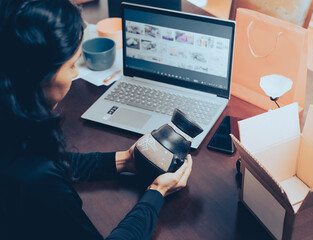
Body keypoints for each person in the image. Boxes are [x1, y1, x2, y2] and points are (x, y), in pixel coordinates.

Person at [0, 0, 192, 239]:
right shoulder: (36, 181)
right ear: (38, 75)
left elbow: (53, 163)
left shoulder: (12, 129)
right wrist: (156, 192)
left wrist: (125, 160)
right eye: (71, 65)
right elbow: (43, 173)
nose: (76, 73)